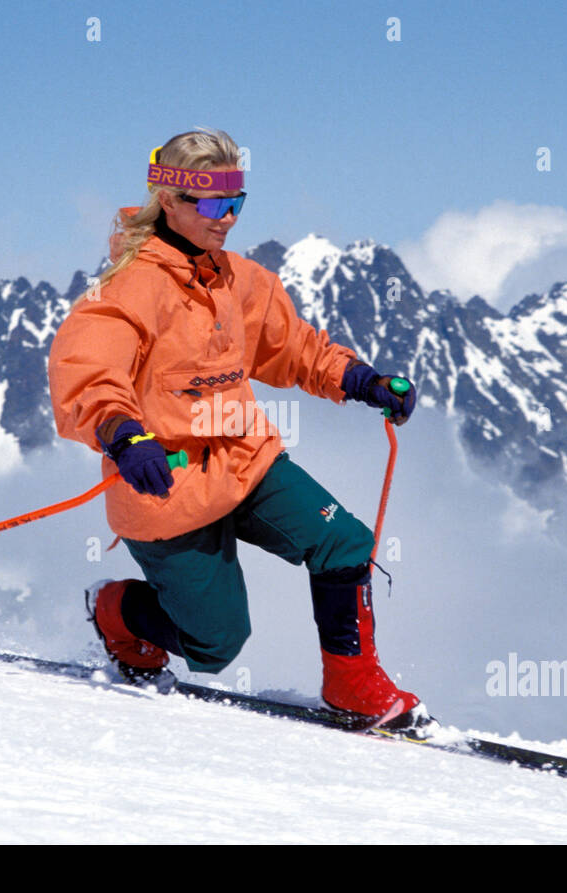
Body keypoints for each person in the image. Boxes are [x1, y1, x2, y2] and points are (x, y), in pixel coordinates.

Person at [48, 128, 427, 729]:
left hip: (245, 459)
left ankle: (353, 683)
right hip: (163, 481)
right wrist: (123, 434)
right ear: (169, 200)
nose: (227, 219)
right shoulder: (126, 288)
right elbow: (89, 371)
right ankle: (116, 611)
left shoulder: (239, 280)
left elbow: (293, 348)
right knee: (217, 643)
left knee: (343, 542)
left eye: (237, 203)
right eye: (213, 204)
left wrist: (361, 380)